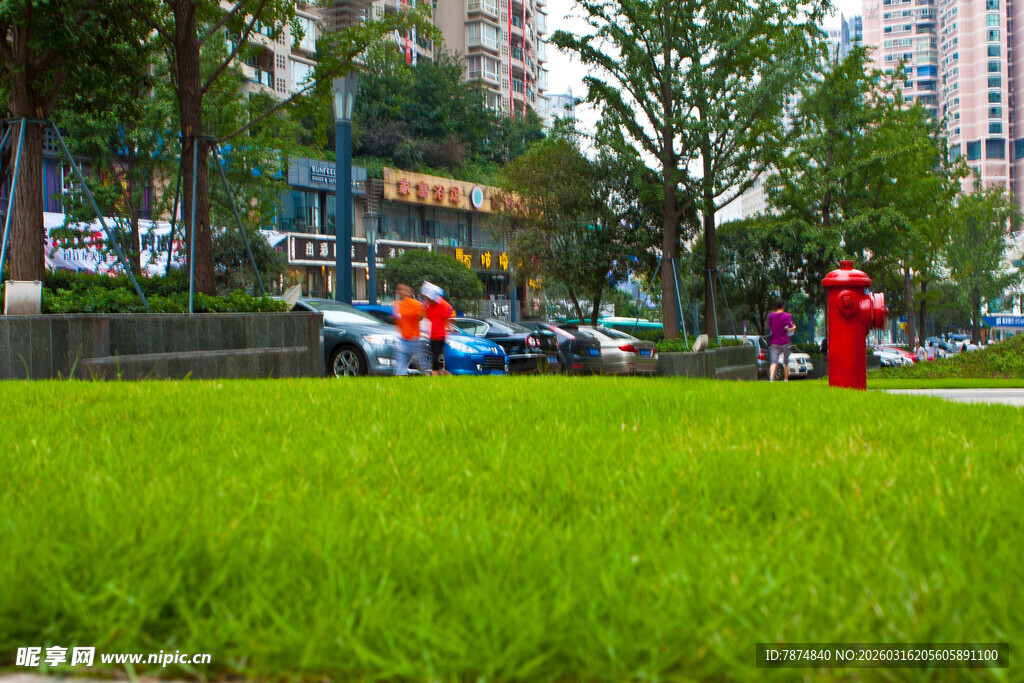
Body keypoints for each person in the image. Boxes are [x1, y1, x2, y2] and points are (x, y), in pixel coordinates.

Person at [392, 283, 425, 376]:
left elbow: (420, 317)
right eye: (399, 290)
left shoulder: (413, 304)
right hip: (405, 339)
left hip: (413, 339)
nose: (400, 292)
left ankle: (428, 375)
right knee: (402, 364)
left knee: (421, 364)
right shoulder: (399, 305)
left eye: (402, 290)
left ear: (408, 292)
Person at [421, 281, 454, 376]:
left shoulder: (443, 305)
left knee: (436, 355)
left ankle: (436, 372)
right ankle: (442, 372)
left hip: (439, 336)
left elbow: (449, 319)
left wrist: (449, 330)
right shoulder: (428, 305)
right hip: (432, 335)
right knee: (435, 355)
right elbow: (425, 316)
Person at [766, 298, 797, 382]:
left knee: (774, 362)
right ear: (783, 306)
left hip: (774, 342)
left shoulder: (771, 315)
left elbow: (769, 326)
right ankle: (786, 379)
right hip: (785, 342)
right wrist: (794, 327)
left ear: (775, 306)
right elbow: (790, 329)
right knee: (786, 362)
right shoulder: (787, 316)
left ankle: (771, 378)